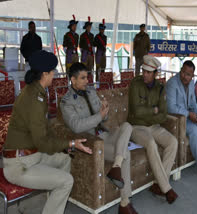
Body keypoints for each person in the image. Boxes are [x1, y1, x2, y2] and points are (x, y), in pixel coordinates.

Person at [3, 50, 92, 214]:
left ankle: (52, 207)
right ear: (44, 74)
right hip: (19, 165)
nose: (54, 75)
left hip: (32, 155)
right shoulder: (34, 98)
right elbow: (42, 141)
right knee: (66, 181)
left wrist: (64, 146)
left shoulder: (37, 92)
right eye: (52, 72)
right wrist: (70, 143)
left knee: (65, 159)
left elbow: (46, 130)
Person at [60, 62, 137, 214]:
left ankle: (116, 167)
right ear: (73, 80)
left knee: (127, 126)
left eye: (87, 77)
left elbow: (103, 118)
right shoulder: (66, 101)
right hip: (92, 141)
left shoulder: (91, 91)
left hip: (104, 133)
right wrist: (99, 116)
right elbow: (76, 126)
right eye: (83, 78)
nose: (87, 81)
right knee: (125, 154)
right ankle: (124, 203)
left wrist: (104, 110)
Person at [128, 55, 178, 204]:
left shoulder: (160, 87)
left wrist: (151, 114)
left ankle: (157, 184)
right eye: (144, 71)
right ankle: (166, 188)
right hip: (136, 126)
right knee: (151, 143)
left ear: (155, 73)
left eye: (149, 72)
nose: (145, 74)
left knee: (172, 142)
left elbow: (163, 114)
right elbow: (136, 112)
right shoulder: (135, 84)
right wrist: (153, 111)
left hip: (154, 126)